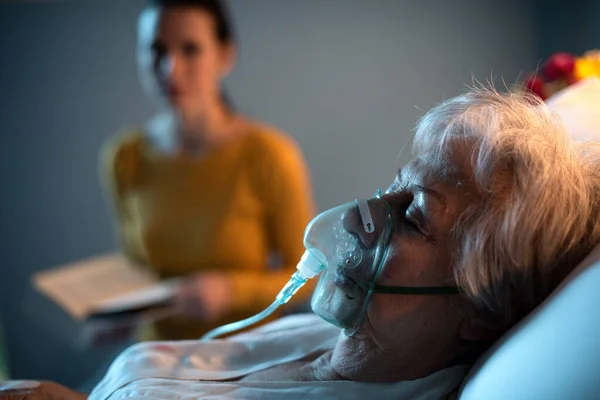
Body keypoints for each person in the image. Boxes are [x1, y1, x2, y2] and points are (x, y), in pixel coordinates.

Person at [3, 86, 600, 399]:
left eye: (415, 215)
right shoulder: (335, 337)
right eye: (392, 188)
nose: (366, 213)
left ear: (482, 304)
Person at [100, 0, 316, 341]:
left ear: (225, 55)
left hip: (243, 355)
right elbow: (137, 270)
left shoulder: (269, 154)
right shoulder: (123, 158)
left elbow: (308, 275)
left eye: (190, 50)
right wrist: (119, 314)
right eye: (156, 50)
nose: (170, 68)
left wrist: (231, 290)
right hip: (155, 359)